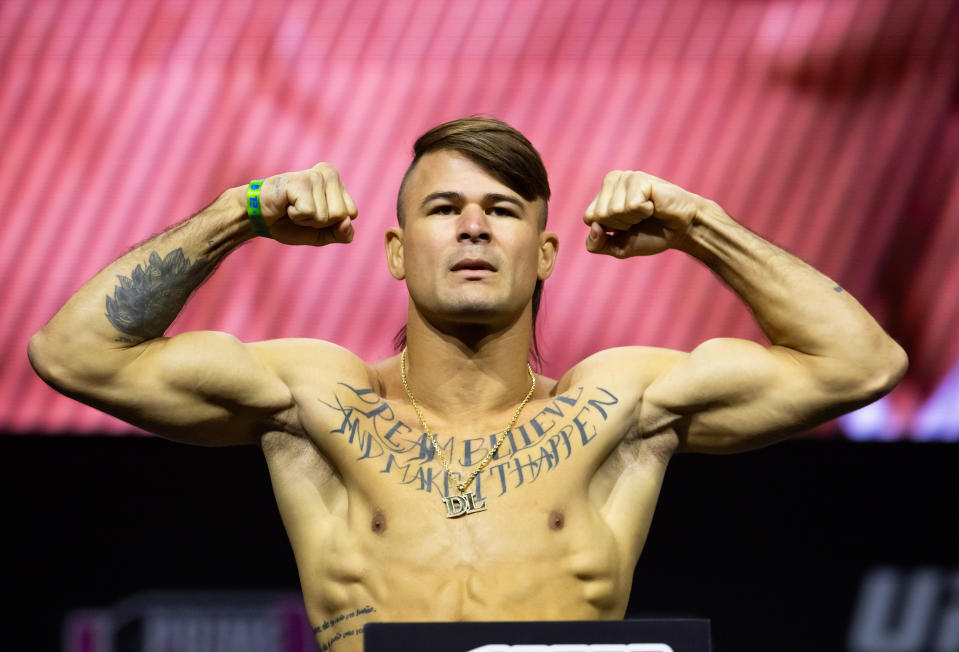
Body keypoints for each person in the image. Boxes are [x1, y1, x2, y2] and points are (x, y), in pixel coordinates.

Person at [28, 117, 907, 652]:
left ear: (546, 252)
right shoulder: (314, 397)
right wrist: (240, 210)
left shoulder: (618, 404)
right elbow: (77, 356)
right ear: (398, 252)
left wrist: (699, 225)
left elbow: (859, 365)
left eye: (504, 210)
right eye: (444, 209)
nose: (475, 227)